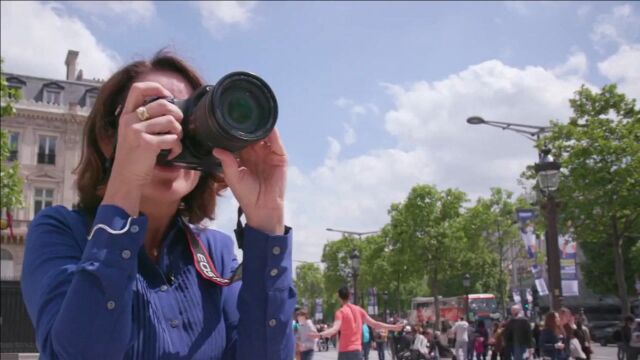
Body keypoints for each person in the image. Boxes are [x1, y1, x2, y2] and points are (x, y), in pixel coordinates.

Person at [20, 51, 295, 359]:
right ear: (107, 138)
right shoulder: (61, 231)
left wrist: (268, 221)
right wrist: (125, 180)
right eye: (154, 116)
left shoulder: (216, 252)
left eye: (192, 121)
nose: (173, 136)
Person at [312, 286, 403, 360]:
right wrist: (394, 327)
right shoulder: (359, 310)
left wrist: (319, 335)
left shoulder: (340, 312)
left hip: (344, 352)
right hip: (356, 351)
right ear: (350, 296)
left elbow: (335, 329)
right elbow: (375, 324)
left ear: (339, 297)